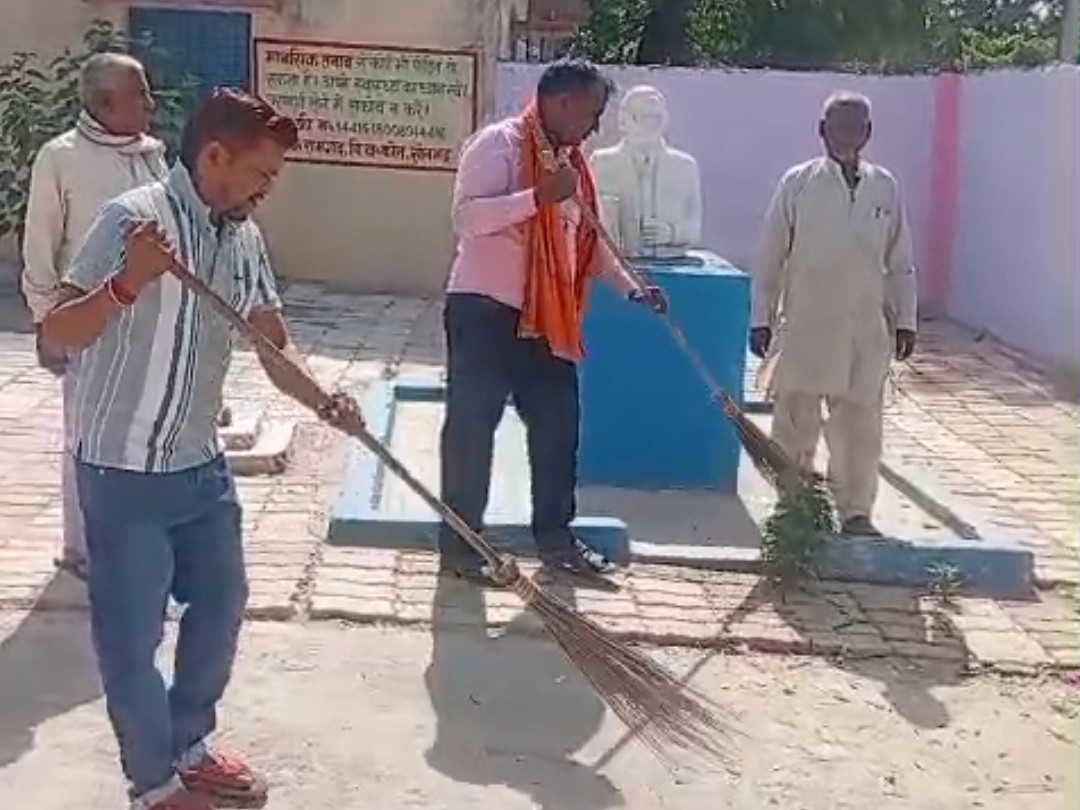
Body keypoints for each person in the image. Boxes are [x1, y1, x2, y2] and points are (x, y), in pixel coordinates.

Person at [41, 88, 361, 810]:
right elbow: (57, 333)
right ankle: (154, 786)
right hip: (122, 472)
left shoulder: (241, 238)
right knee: (131, 638)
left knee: (221, 604)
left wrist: (324, 399)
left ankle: (189, 745)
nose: (267, 189)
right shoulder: (132, 219)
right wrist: (128, 282)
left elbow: (272, 343)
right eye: (260, 173)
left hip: (199, 467)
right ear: (214, 156)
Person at [439, 58, 667, 583]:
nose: (596, 127)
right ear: (562, 102)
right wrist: (536, 197)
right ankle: (462, 549)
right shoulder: (497, 145)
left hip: (547, 318)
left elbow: (589, 244)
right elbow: (466, 218)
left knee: (559, 429)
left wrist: (634, 289)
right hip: (485, 310)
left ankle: (556, 542)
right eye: (592, 114)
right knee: (472, 431)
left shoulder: (574, 168)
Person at [22, 52, 168, 582]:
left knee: (144, 434)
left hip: (147, 321)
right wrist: (46, 322)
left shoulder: (152, 156)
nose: (151, 103)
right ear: (106, 103)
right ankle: (82, 549)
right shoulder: (60, 158)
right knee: (86, 437)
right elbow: (40, 245)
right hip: (87, 321)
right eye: (140, 94)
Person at [751, 91, 917, 537]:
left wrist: (906, 320)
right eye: (837, 125)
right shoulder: (798, 183)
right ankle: (794, 507)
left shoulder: (885, 186)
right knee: (795, 422)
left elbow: (900, 259)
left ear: (868, 132)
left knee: (860, 427)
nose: (845, 134)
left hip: (864, 328)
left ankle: (856, 512)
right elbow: (770, 255)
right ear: (821, 130)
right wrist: (761, 317)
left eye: (855, 125)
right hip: (806, 324)